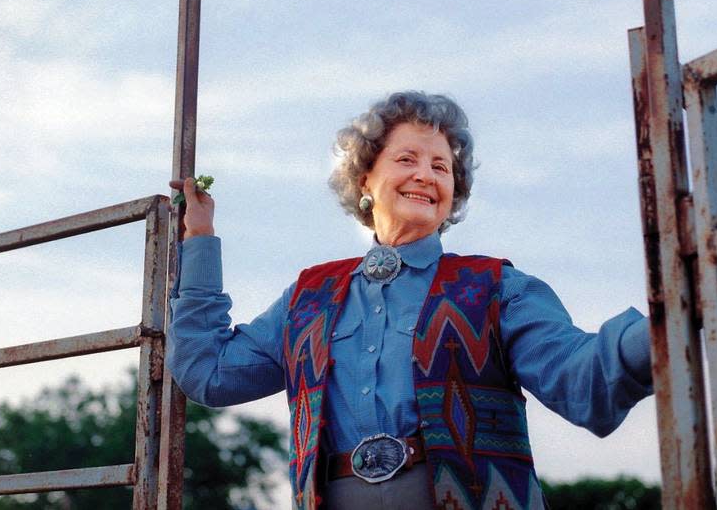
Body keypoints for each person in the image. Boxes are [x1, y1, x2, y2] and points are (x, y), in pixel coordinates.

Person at [168, 90, 654, 510]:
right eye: (407, 160)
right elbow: (208, 372)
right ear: (364, 181)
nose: (426, 175)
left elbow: (581, 378)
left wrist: (658, 329)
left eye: (440, 166)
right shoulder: (308, 298)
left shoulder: (496, 287)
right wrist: (200, 239)